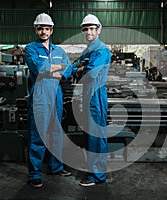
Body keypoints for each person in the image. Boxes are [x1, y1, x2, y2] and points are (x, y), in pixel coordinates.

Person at [24, 13, 72, 188]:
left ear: (51, 31)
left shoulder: (59, 51)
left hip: (56, 97)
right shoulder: (30, 49)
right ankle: (35, 174)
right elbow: (39, 69)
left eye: (47, 28)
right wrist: (58, 68)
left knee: (56, 134)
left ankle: (56, 167)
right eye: (40, 28)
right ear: (36, 30)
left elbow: (69, 69)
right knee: (37, 136)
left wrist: (56, 70)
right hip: (40, 98)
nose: (43, 31)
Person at [72, 14, 111, 187]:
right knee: (89, 134)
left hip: (96, 95)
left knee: (96, 135)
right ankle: (92, 167)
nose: (88, 31)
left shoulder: (102, 50)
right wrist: (77, 68)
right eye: (85, 29)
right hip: (87, 94)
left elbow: (90, 72)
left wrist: (79, 70)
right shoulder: (87, 51)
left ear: (99, 29)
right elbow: (75, 66)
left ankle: (97, 176)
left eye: (92, 28)